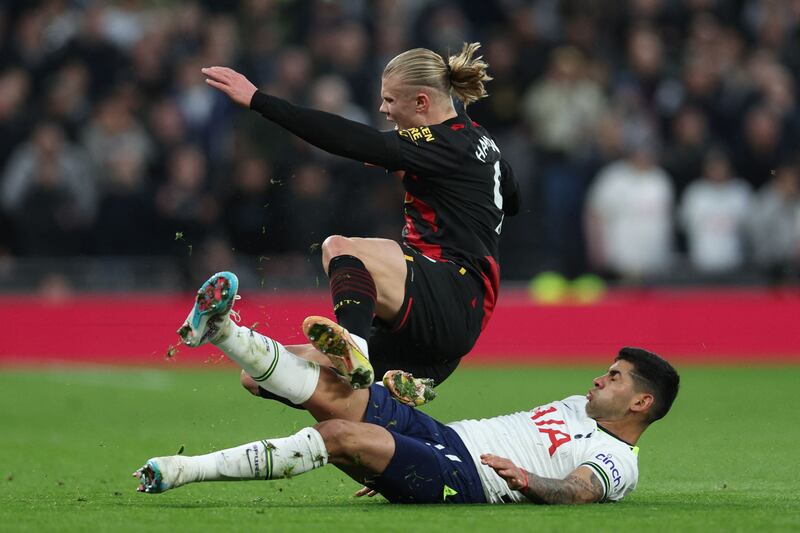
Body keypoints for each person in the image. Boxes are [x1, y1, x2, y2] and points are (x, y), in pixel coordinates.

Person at [136, 275, 680, 504]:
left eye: (614, 377)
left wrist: (528, 479)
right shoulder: (576, 406)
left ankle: (184, 470)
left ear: (641, 403)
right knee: (290, 386)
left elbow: (579, 491)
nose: (597, 378)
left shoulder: (617, 459)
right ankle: (223, 331)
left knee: (341, 434)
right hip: (445, 438)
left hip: (467, 479)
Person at [198, 42, 520, 398]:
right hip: (438, 329)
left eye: (390, 100)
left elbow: (351, 140)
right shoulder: (479, 141)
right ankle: (228, 333)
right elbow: (514, 197)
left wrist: (260, 100)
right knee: (261, 375)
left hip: (451, 293)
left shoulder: (443, 144)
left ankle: (354, 348)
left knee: (339, 248)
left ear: (422, 103)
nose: (383, 109)